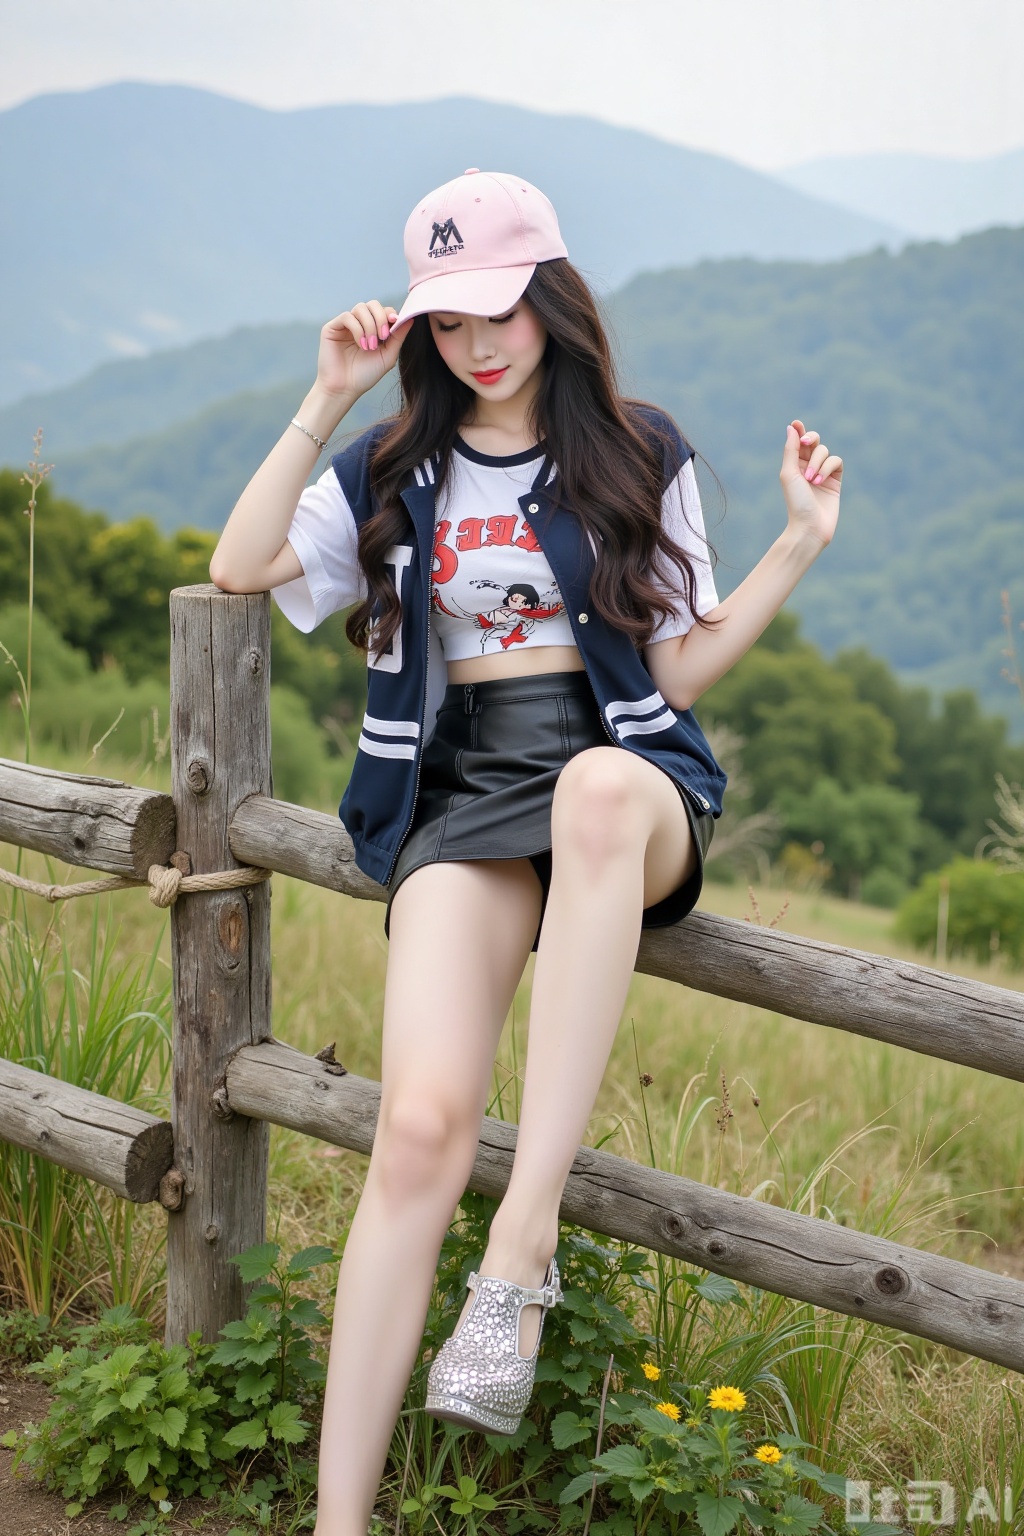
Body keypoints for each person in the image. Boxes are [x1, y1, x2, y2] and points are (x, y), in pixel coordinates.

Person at [209, 167, 843, 1535]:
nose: (478, 345)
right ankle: (338, 1520)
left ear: (551, 299)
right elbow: (240, 562)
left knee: (603, 791)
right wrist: (327, 394)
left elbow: (674, 669)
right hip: (467, 789)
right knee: (419, 1127)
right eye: (449, 324)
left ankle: (522, 1243)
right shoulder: (393, 472)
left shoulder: (635, 451)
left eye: (499, 312)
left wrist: (796, 545)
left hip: (627, 778)